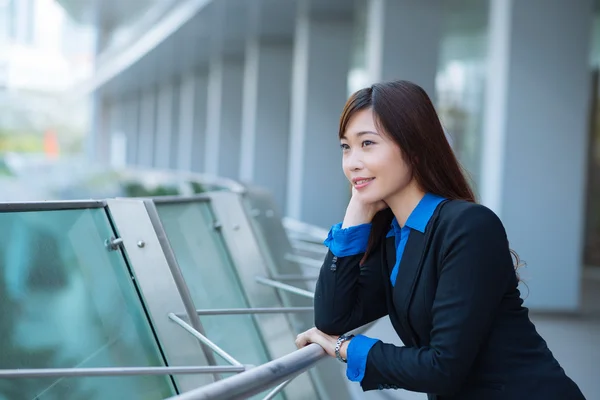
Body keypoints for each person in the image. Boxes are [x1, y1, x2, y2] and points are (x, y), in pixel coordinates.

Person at [294, 80, 585, 400]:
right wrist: (355, 217)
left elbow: (442, 366)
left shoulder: (468, 227)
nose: (352, 162)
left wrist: (343, 348)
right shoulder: (394, 235)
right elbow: (334, 317)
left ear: (415, 149)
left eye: (367, 144)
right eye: (346, 147)